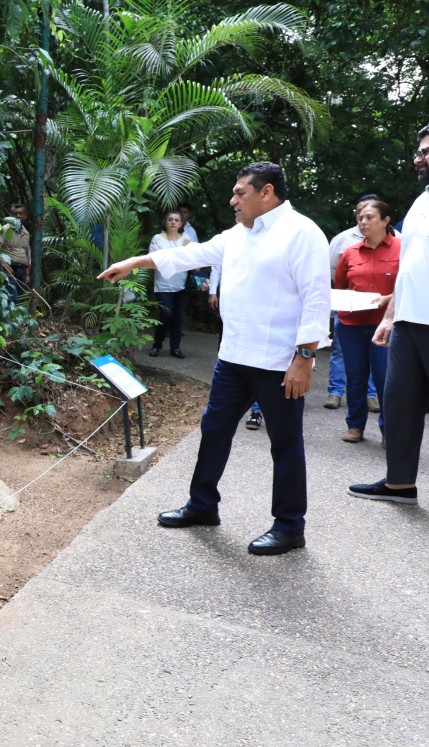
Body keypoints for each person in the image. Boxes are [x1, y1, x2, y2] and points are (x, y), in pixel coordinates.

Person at [98, 162, 329, 555]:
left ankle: (290, 526)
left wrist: (304, 358)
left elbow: (316, 299)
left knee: (285, 443)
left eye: (240, 192)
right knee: (214, 429)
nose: (232, 200)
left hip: (278, 362)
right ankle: (202, 505)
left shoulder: (302, 234)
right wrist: (134, 263)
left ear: (266, 192)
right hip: (234, 357)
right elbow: (190, 255)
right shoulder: (238, 235)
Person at [348, 119, 429, 520]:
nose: (418, 157)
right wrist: (391, 315)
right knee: (400, 403)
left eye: (427, 150)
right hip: (409, 321)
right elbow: (409, 264)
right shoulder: (423, 200)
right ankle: (399, 483)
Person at [333, 200, 399, 443]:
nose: (363, 222)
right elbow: (339, 285)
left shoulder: (401, 249)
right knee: (356, 377)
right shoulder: (350, 252)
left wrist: (386, 300)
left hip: (385, 325)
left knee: (385, 378)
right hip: (351, 325)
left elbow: (408, 285)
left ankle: (388, 431)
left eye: (370, 217)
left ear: (385, 220)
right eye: (360, 217)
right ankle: (355, 426)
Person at [325, 195, 381, 412]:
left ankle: (372, 395)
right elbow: (331, 273)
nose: (363, 217)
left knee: (377, 352)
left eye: (369, 212)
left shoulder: (396, 240)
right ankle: (335, 392)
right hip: (347, 308)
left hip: (379, 309)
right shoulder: (343, 239)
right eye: (360, 212)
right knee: (340, 350)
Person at [204, 264, 262, 430]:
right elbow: (215, 266)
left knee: (257, 364)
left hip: (260, 319)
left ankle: (256, 411)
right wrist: (213, 291)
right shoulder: (231, 240)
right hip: (233, 313)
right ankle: (224, 410)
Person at [147, 210, 192, 359]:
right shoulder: (158, 239)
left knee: (178, 317)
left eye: (176, 220)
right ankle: (157, 345)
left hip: (182, 285)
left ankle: (175, 348)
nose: (173, 222)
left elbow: (194, 259)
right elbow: (151, 261)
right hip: (163, 285)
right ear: (165, 222)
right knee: (166, 314)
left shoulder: (185, 239)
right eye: (170, 219)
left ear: (181, 224)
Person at [0, 203, 31, 305]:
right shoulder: (4, 229)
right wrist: (6, 267)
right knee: (12, 298)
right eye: (15, 213)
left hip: (22, 270)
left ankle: (18, 321)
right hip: (9, 268)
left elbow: (26, 254)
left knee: (21, 299)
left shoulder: (26, 233)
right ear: (10, 215)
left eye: (21, 213)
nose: (18, 216)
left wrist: (27, 274)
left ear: (25, 216)